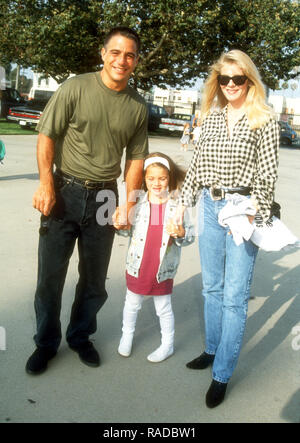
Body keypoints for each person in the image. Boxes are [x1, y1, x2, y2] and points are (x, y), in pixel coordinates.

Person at [25, 27, 149, 375]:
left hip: (106, 196)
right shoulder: (75, 87)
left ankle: (80, 337)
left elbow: (136, 159)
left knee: (94, 280)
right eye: (115, 52)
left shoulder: (138, 106)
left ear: (136, 61)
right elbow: (47, 135)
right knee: (50, 276)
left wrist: (129, 203)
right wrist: (46, 184)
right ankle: (45, 344)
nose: (121, 60)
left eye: (129, 55)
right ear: (102, 54)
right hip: (65, 190)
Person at [178, 50, 279, 407]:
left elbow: (267, 174)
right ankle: (211, 348)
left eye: (239, 78)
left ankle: (221, 373)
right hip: (210, 205)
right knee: (211, 288)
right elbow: (197, 165)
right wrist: (181, 206)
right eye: (225, 79)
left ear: (249, 80)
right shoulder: (213, 116)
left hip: (242, 210)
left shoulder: (264, 119)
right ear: (217, 83)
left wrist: (257, 213)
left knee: (235, 297)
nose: (231, 85)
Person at [116, 152, 194, 363]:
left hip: (162, 268)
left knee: (163, 307)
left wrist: (180, 234)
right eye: (151, 178)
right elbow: (126, 231)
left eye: (162, 178)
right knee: (131, 303)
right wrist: (119, 224)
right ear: (144, 179)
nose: (156, 183)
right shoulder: (137, 203)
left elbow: (189, 237)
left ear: (169, 178)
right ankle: (127, 335)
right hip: (138, 263)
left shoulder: (177, 206)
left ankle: (167, 344)